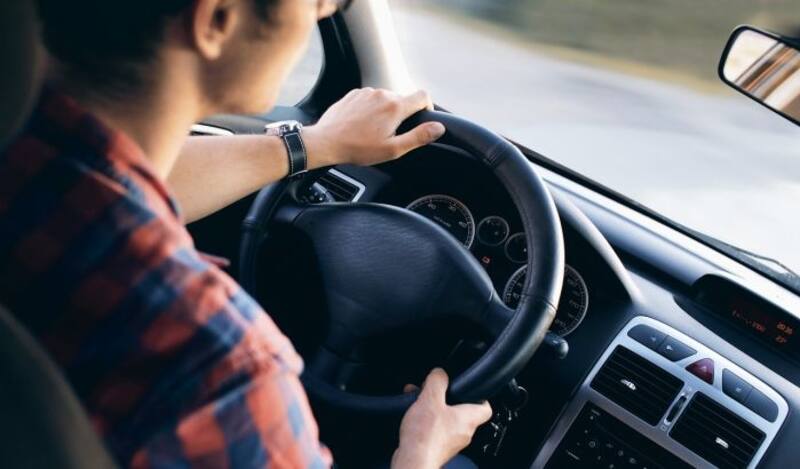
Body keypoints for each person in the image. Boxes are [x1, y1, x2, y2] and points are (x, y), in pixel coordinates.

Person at [0, 0, 492, 468]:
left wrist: (315, 144)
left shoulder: (29, 165)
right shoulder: (219, 371)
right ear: (216, 18)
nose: (324, 10)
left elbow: (124, 177)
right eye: (316, 2)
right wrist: (420, 454)